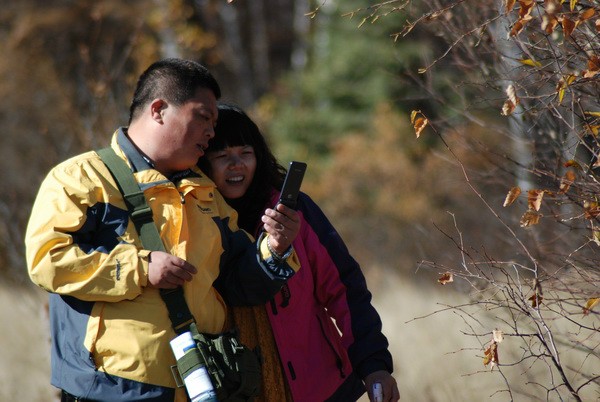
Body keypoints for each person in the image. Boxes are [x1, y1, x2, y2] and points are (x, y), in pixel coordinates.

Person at [24, 59, 302, 402]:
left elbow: (241, 286)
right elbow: (47, 261)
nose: (212, 133)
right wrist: (142, 267)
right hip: (111, 388)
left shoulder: (207, 194)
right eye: (204, 117)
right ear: (158, 110)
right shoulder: (80, 178)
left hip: (201, 386)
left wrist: (275, 250)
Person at [197, 103, 400, 402]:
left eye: (246, 153)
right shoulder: (195, 220)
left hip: (323, 387)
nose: (236, 164)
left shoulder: (293, 210)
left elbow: (344, 287)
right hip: (241, 389)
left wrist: (373, 364)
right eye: (222, 156)